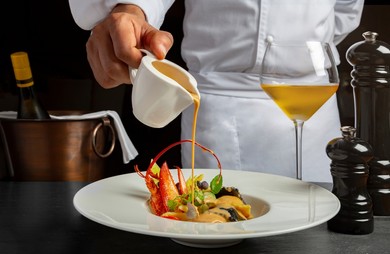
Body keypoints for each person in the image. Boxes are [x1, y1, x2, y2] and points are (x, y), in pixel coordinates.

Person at [68, 0, 364, 182]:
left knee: (316, 245)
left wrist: (301, 56)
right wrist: (132, 7)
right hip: (220, 107)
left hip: (313, 105)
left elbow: (346, 11)